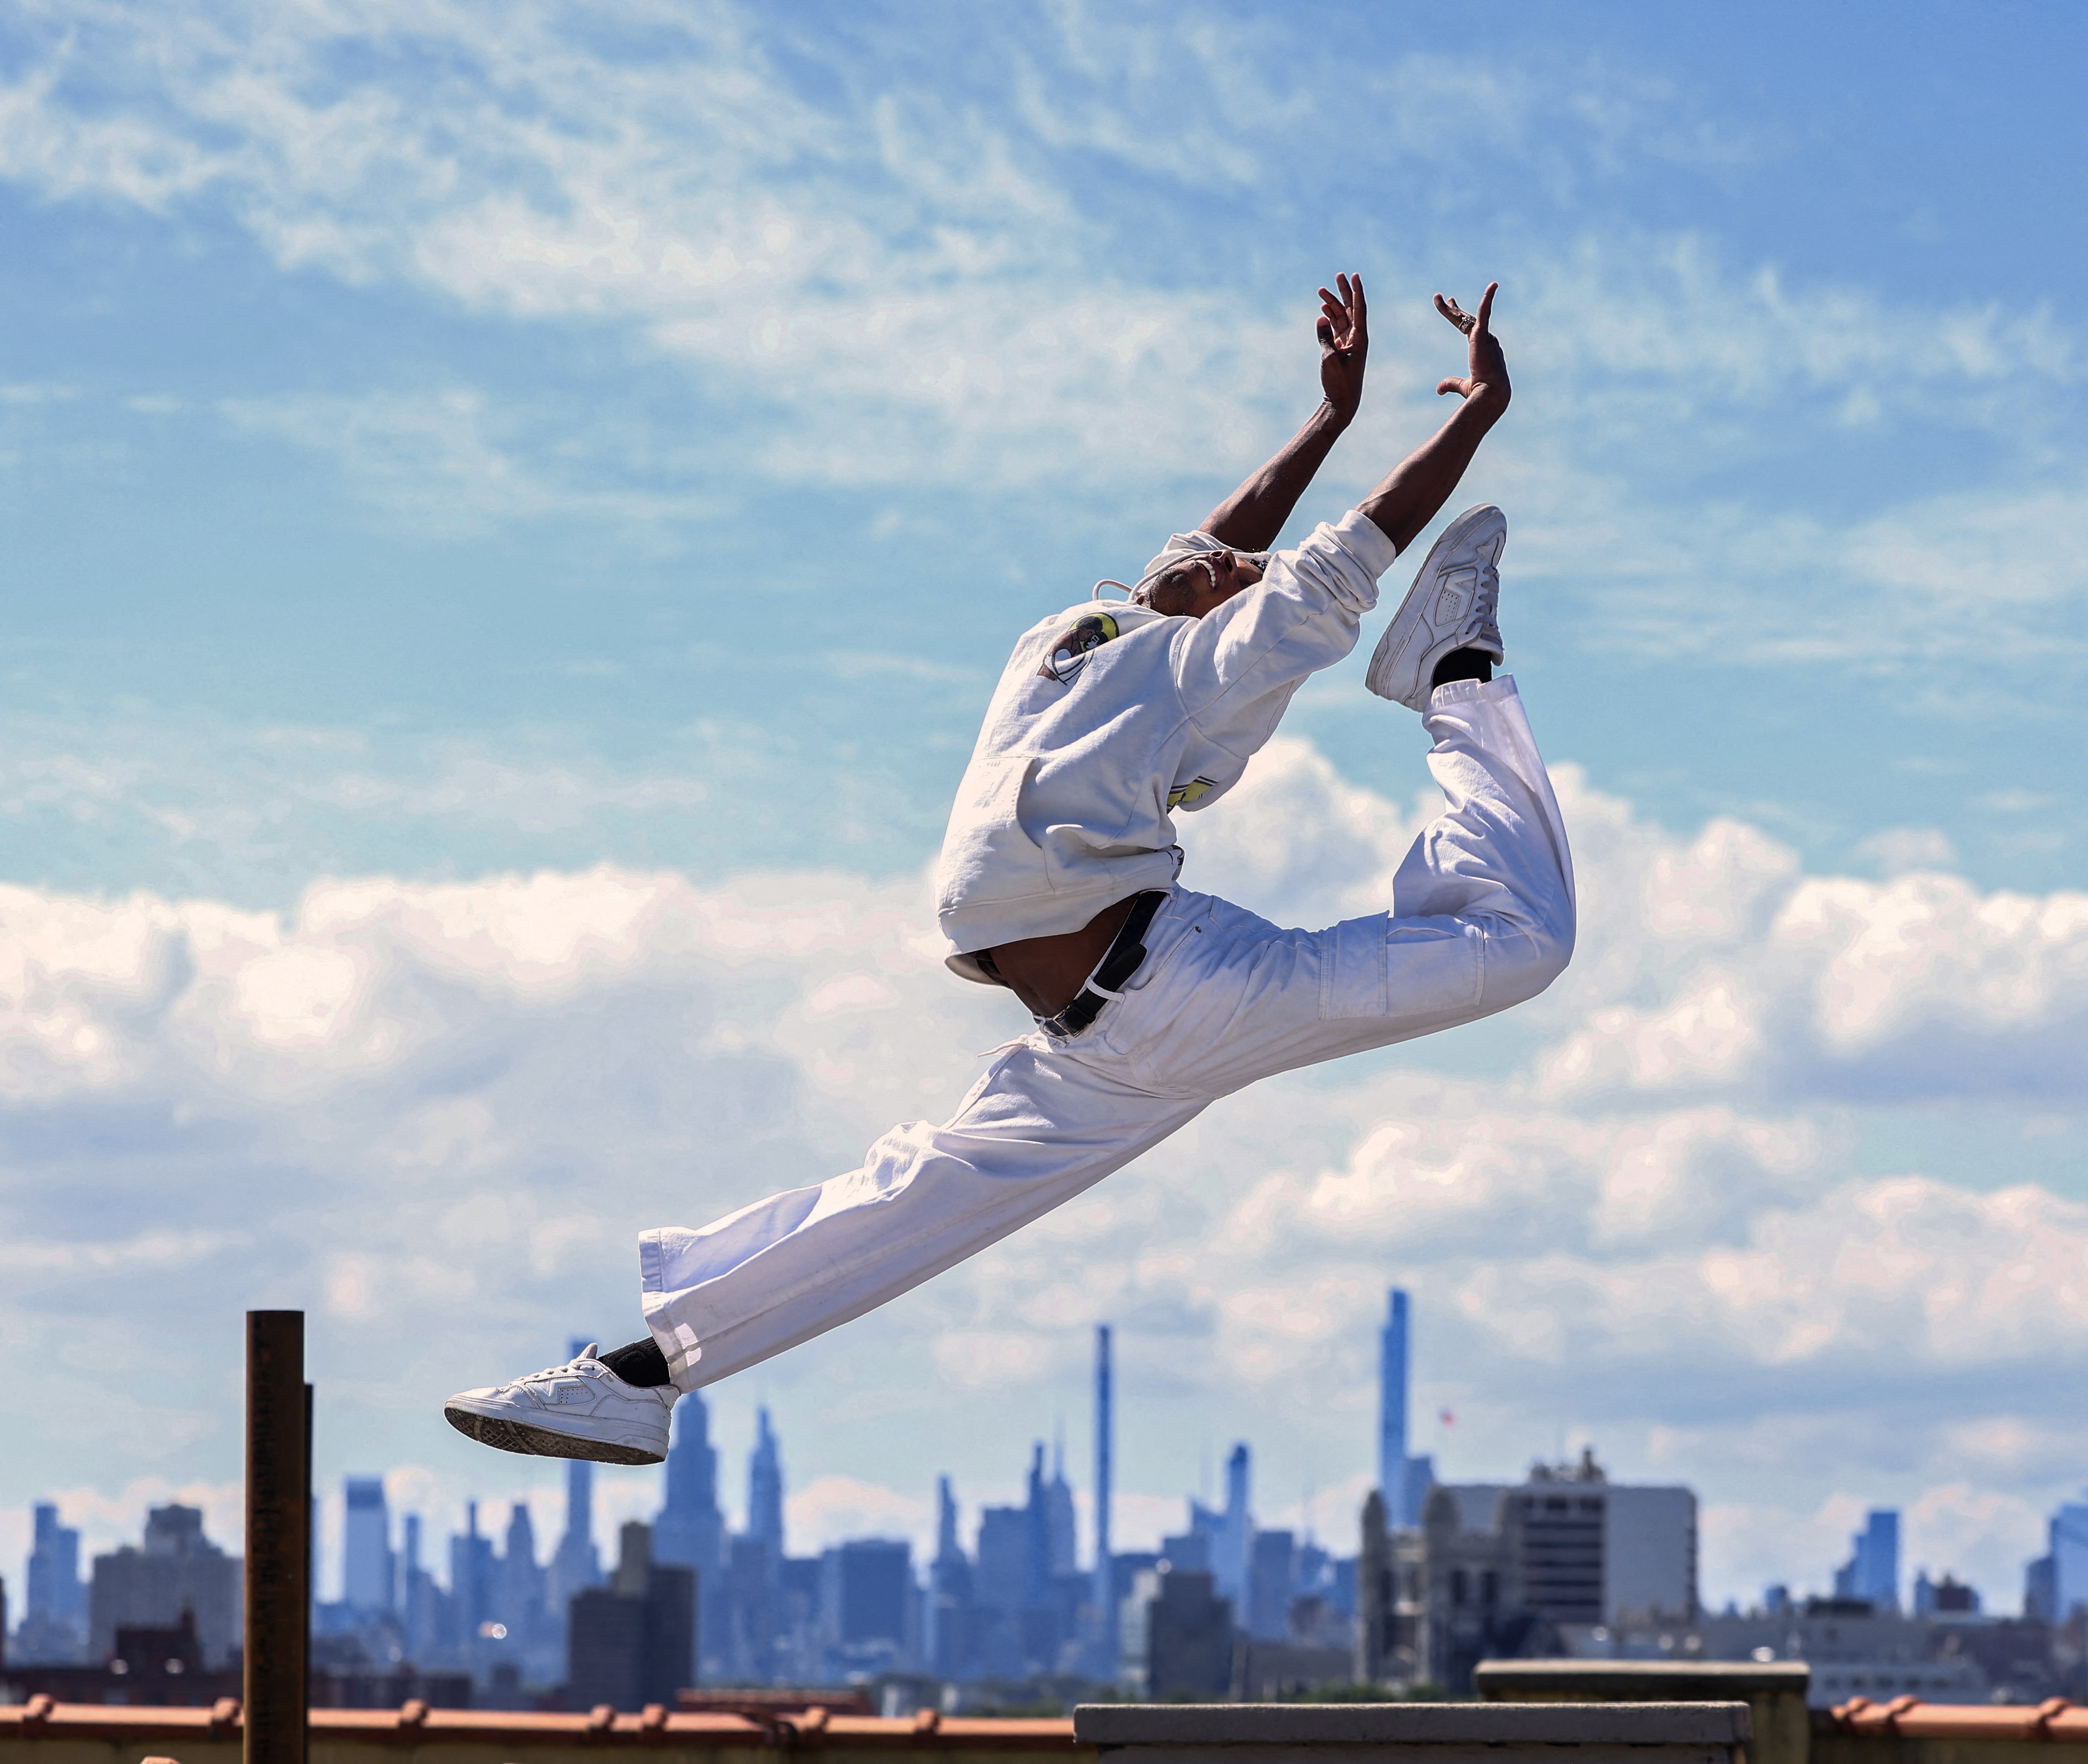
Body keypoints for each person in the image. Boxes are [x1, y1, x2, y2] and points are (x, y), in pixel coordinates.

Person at [444, 274, 1575, 1465]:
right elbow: (1240, 552)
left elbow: (1306, 555)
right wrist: (1403, 417)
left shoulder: (1100, 651)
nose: (1243, 571)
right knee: (915, 1203)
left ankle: (1454, 666)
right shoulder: (1116, 650)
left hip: (1154, 998)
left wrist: (1389, 422)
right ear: (1179, 589)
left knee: (1522, 947)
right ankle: (632, 1377)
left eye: (1243, 576)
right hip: (1125, 1019)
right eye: (1231, 572)